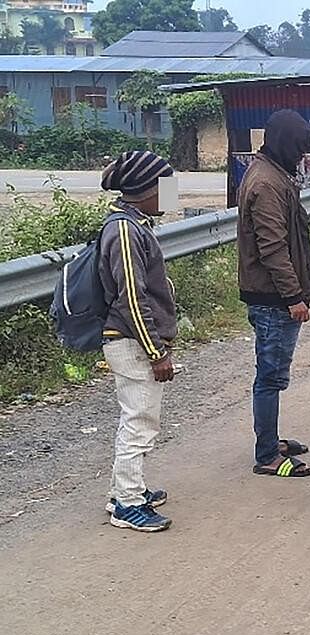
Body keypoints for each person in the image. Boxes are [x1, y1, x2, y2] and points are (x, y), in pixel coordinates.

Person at [97, 150, 178, 532]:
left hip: (131, 341)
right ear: (146, 189)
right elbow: (132, 296)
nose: (171, 193)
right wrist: (156, 351)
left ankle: (125, 491)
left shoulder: (133, 224)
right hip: (131, 343)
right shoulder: (126, 230)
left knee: (136, 418)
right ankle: (127, 505)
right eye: (166, 186)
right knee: (140, 422)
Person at [237, 109, 310, 479]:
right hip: (273, 299)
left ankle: (271, 439)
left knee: (272, 375)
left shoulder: (273, 173)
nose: (302, 156)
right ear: (286, 143)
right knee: (269, 377)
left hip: (273, 296)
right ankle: (268, 455)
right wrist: (293, 297)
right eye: (299, 148)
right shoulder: (268, 184)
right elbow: (273, 249)